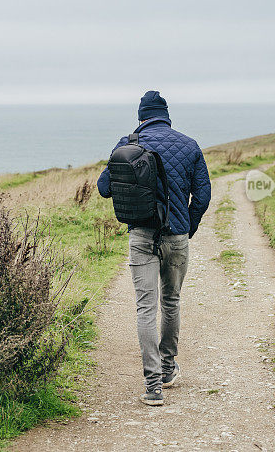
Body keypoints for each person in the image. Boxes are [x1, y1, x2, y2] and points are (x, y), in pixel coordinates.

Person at [97, 90, 211, 406]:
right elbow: (203, 196)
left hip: (141, 235)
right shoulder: (189, 145)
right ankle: (168, 368)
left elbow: (104, 188)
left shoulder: (128, 143)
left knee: (146, 306)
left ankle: (153, 386)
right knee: (171, 300)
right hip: (176, 236)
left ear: (141, 116)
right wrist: (186, 227)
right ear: (166, 115)